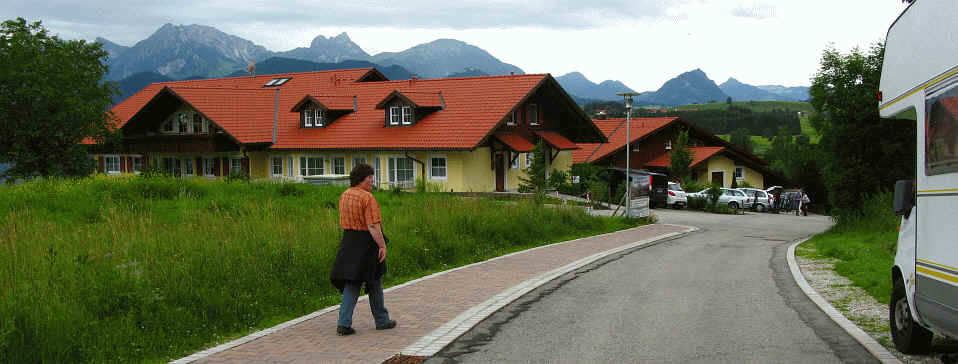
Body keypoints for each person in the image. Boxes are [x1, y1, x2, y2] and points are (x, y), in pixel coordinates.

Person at [330, 163, 396, 336]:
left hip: (348, 240)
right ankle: (381, 320)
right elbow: (373, 225)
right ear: (361, 179)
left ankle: (344, 323)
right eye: (370, 178)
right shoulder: (368, 198)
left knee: (352, 282)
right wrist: (382, 245)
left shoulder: (344, 195)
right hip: (366, 242)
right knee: (374, 279)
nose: (372, 182)